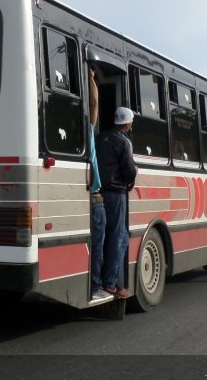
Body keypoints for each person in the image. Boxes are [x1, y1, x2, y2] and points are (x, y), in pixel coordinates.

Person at [96, 106, 138, 298]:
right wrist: (135, 172)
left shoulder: (100, 137)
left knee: (102, 237)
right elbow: (129, 171)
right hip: (116, 193)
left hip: (98, 192)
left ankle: (102, 280)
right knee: (119, 237)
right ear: (128, 124)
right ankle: (110, 283)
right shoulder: (125, 142)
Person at [87, 66, 112, 301]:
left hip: (85, 197)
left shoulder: (77, 137)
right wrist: (91, 79)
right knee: (98, 247)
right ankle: (95, 286)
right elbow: (94, 104)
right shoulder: (88, 134)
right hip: (95, 199)